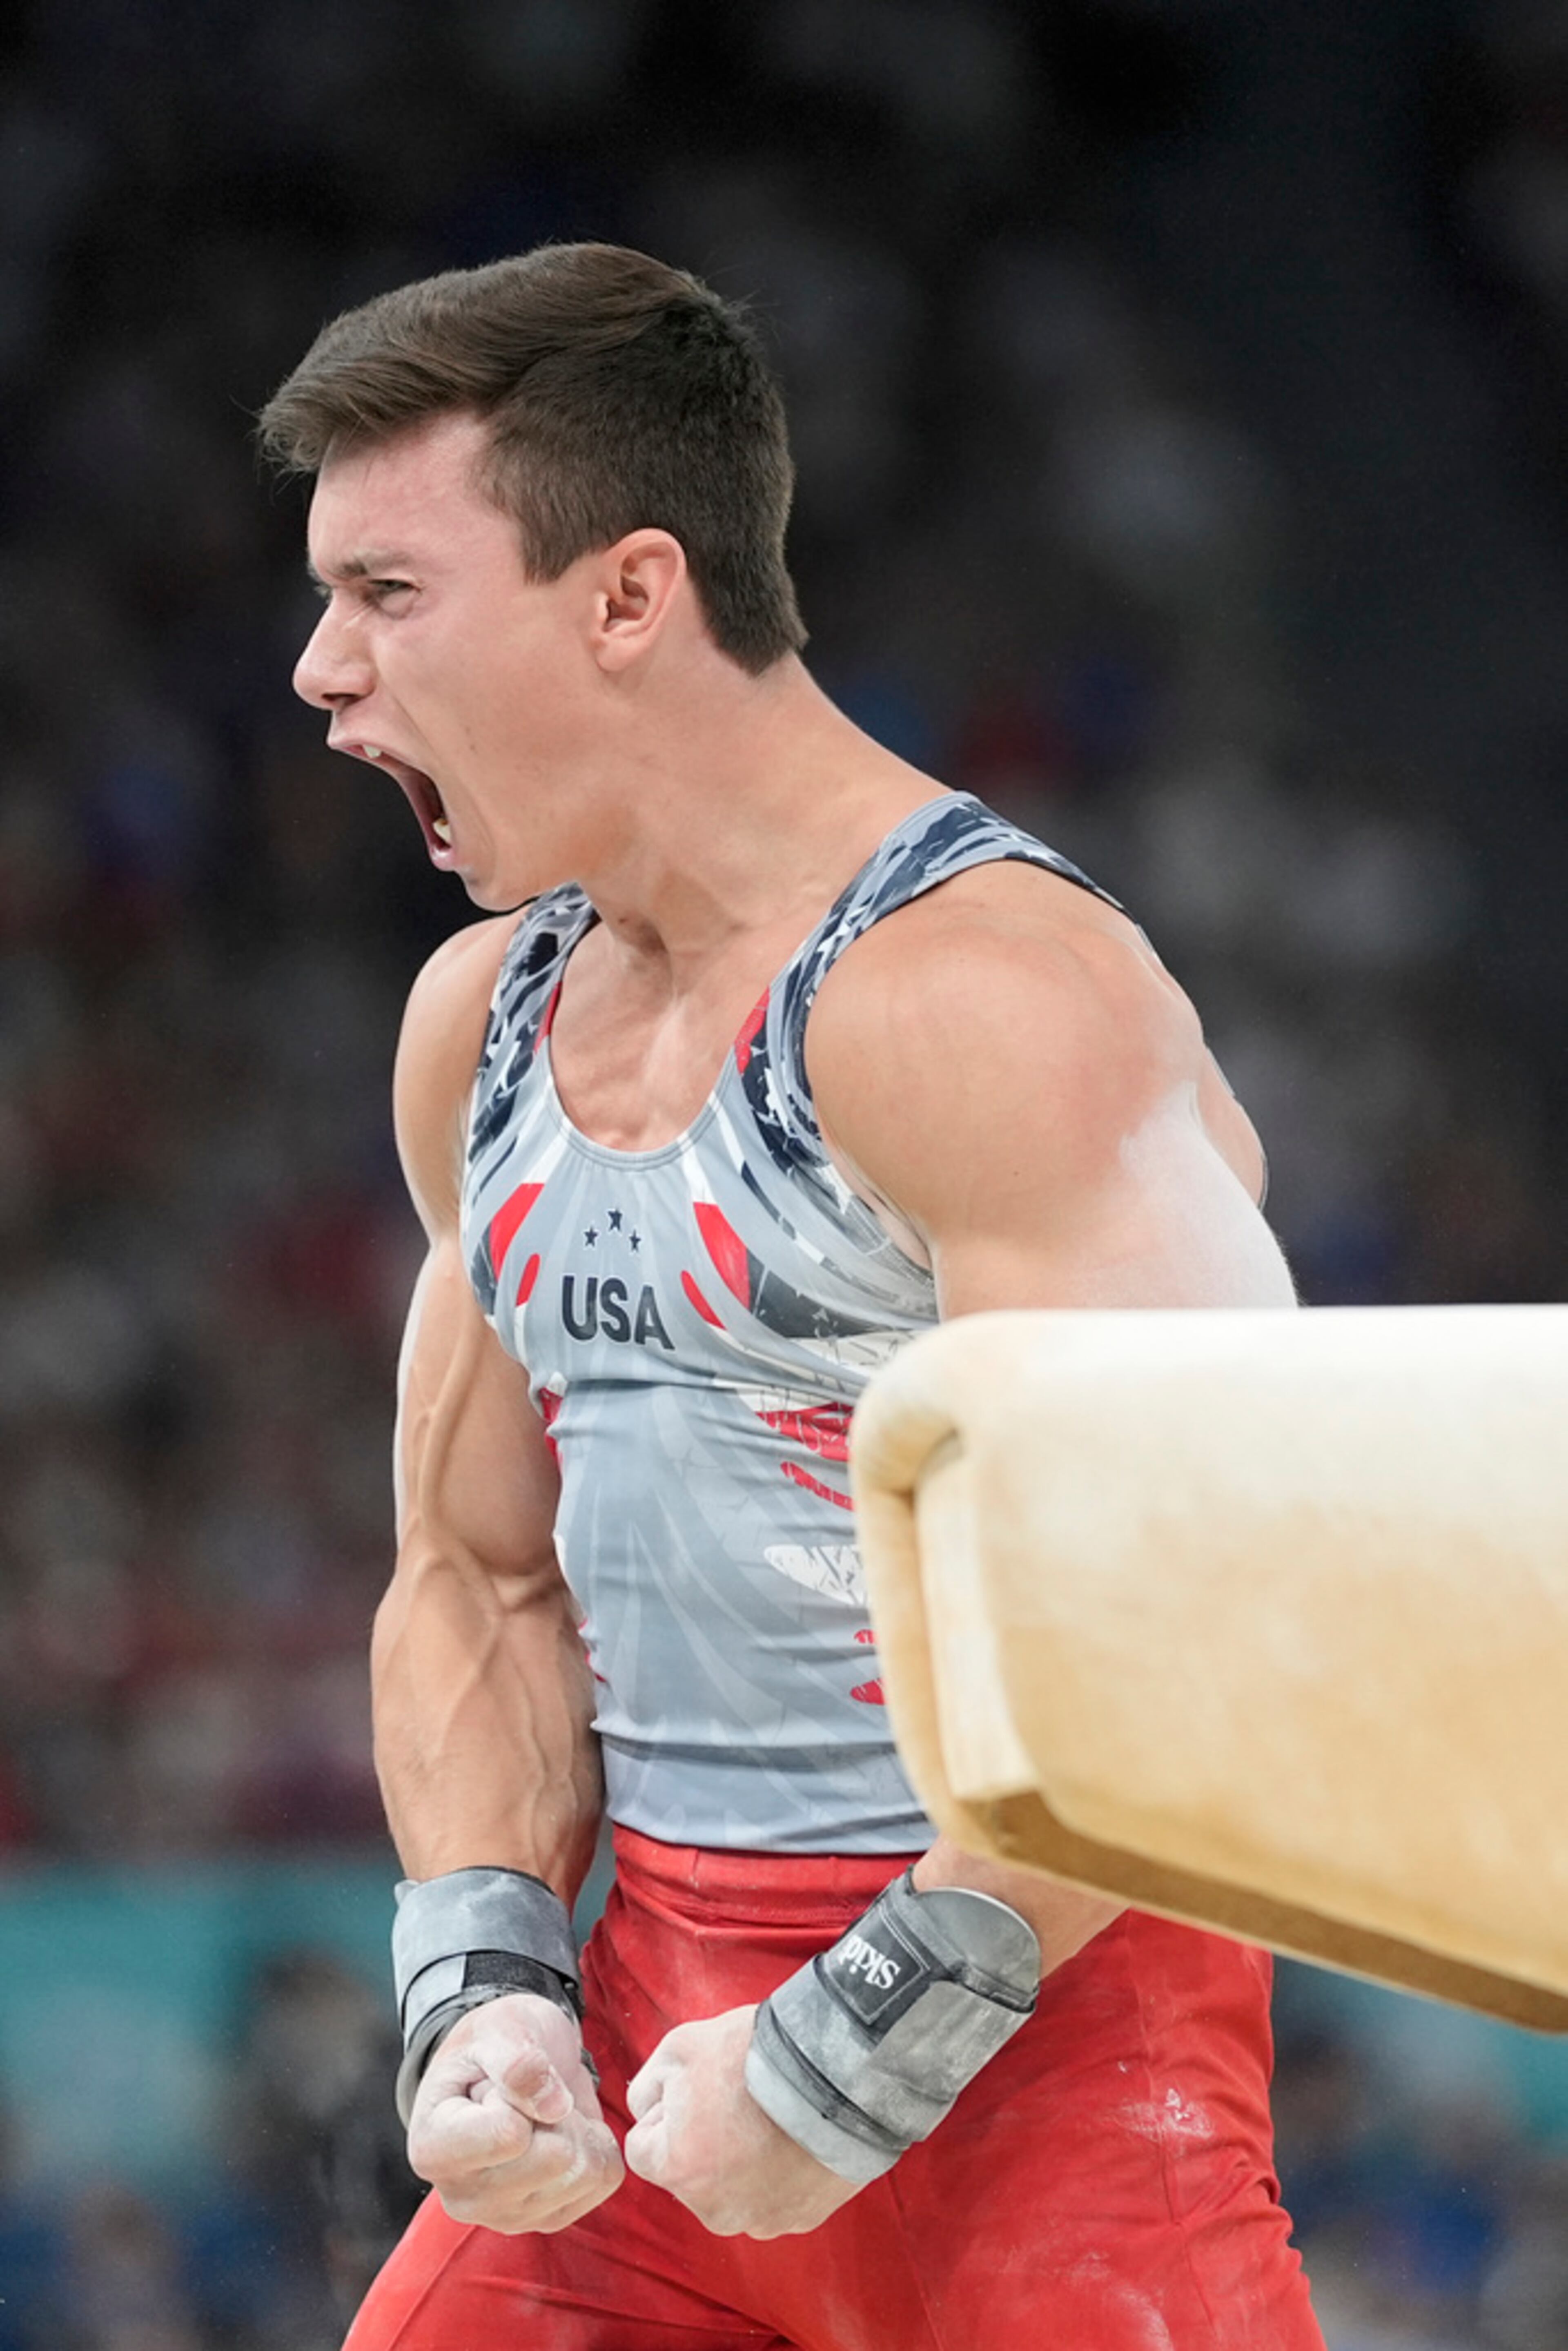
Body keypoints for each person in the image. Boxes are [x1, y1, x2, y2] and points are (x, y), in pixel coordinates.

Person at [260, 241, 1322, 2349]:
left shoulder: (988, 1004)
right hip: (658, 2060)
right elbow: (474, 1577)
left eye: (386, 594)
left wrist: (857, 2052)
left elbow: (1220, 1601)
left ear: (631, 598)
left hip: (1056, 2070)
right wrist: (489, 1988)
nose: (317, 669)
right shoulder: (484, 1026)